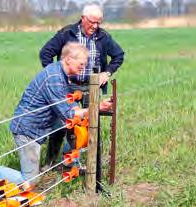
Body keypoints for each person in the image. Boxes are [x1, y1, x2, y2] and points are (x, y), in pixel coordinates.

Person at [10, 42, 112, 185]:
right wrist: (97, 108)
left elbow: (70, 106)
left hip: (41, 126)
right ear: (69, 59)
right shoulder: (54, 79)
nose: (83, 68)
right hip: (27, 130)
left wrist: (94, 108)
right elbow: (70, 114)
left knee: (69, 125)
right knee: (30, 182)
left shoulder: (61, 74)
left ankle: (68, 162)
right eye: (81, 64)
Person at [39, 4, 125, 170]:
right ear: (83, 18)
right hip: (68, 86)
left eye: (99, 22)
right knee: (61, 123)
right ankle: (49, 164)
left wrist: (106, 73)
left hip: (91, 87)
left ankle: (72, 163)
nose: (95, 26)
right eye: (92, 22)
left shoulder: (103, 36)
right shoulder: (67, 33)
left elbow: (118, 55)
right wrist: (55, 77)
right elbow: (45, 53)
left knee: (88, 125)